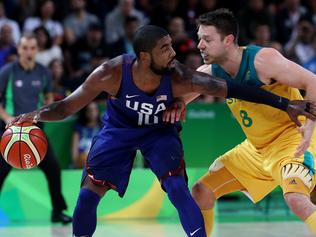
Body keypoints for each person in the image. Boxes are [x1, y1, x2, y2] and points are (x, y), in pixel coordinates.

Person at [9, 25, 316, 237]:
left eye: (172, 45)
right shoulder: (111, 72)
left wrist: (282, 103)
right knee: (88, 196)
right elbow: (66, 107)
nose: (174, 52)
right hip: (119, 130)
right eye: (165, 48)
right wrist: (32, 116)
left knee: (180, 190)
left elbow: (232, 88)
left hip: (159, 132)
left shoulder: (180, 75)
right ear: (144, 57)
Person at [164, 9, 316, 236]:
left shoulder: (263, 60)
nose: (200, 46)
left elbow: (312, 81)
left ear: (228, 40)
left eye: (207, 39)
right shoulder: (209, 74)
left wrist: (310, 129)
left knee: (296, 199)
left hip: (292, 141)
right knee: (201, 191)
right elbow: (175, 100)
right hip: (255, 150)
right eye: (199, 39)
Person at [0, 33, 72, 224]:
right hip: (10, 130)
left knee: (53, 168)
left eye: (32, 48)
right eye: (25, 48)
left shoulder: (44, 73)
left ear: (37, 50)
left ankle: (58, 211)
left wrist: (45, 109)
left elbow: (48, 98)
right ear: (19, 50)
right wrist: (7, 117)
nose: (29, 52)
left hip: (34, 130)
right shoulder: (8, 71)